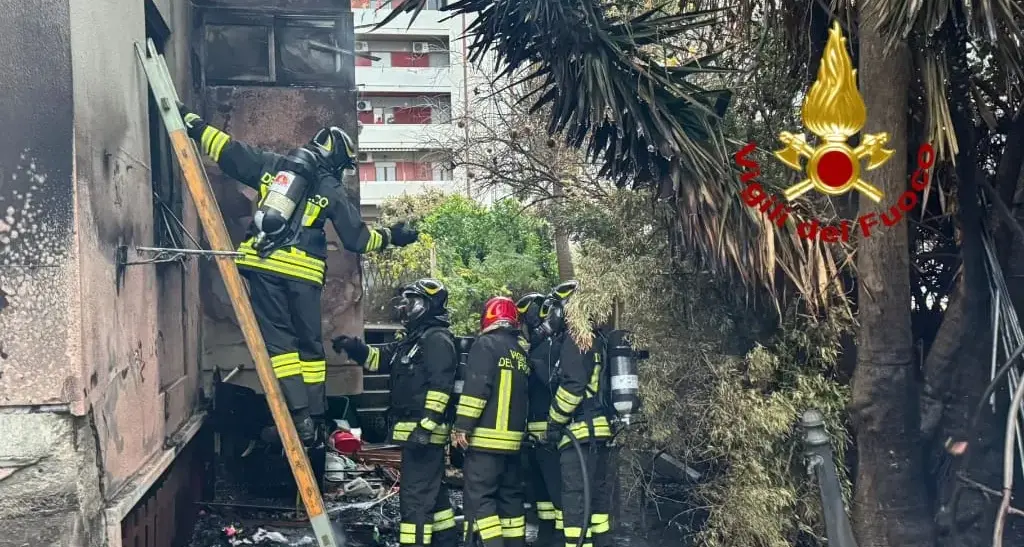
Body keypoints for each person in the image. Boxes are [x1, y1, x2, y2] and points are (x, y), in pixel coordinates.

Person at [177, 104, 419, 444]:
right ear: (336, 159)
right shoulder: (330, 188)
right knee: (308, 347)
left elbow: (228, 151)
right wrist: (394, 235)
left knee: (281, 347)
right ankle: (315, 418)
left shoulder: (272, 167)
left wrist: (193, 122)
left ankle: (300, 418)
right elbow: (358, 239)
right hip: (303, 276)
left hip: (262, 267)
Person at [332, 279, 459, 547]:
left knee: (414, 499)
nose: (405, 308)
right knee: (433, 496)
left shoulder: (437, 339)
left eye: (412, 303)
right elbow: (381, 359)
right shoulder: (413, 341)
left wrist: (426, 427)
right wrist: (353, 347)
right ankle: (445, 540)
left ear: (428, 306)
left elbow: (441, 388)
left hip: (424, 435)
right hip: (414, 435)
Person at [452, 296, 531, 547]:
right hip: (513, 444)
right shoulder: (520, 351)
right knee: (510, 499)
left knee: (480, 499)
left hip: (485, 441)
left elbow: (477, 388)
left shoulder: (485, 345)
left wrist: (462, 425)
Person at [541, 289, 613, 547]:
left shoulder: (576, 338)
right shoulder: (598, 338)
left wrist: (553, 422)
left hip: (580, 434)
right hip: (600, 432)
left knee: (575, 502)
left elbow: (573, 386)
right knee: (598, 504)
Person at [516, 290, 566, 547]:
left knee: (557, 492)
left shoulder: (551, 350)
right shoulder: (537, 349)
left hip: (549, 434)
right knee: (542, 494)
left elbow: (551, 384)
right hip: (535, 437)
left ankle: (560, 538)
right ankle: (547, 534)